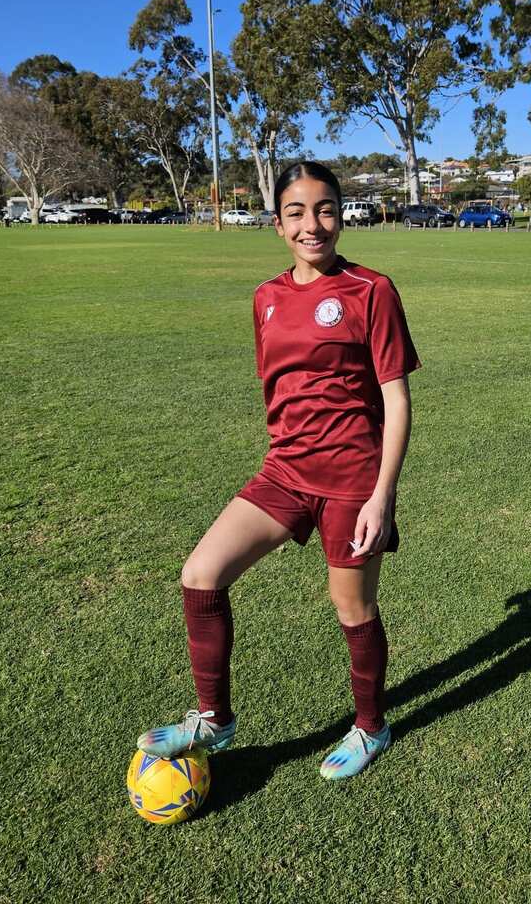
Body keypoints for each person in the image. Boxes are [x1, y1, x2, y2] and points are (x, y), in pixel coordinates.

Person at [137, 161, 421, 781]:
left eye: (325, 209)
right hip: (286, 471)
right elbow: (281, 389)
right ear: (277, 224)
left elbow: (396, 400)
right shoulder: (265, 298)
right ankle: (214, 718)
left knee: (353, 611)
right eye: (297, 212)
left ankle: (372, 725)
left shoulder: (372, 290)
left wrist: (382, 497)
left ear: (341, 214)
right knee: (201, 574)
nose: (312, 224)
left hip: (352, 481)